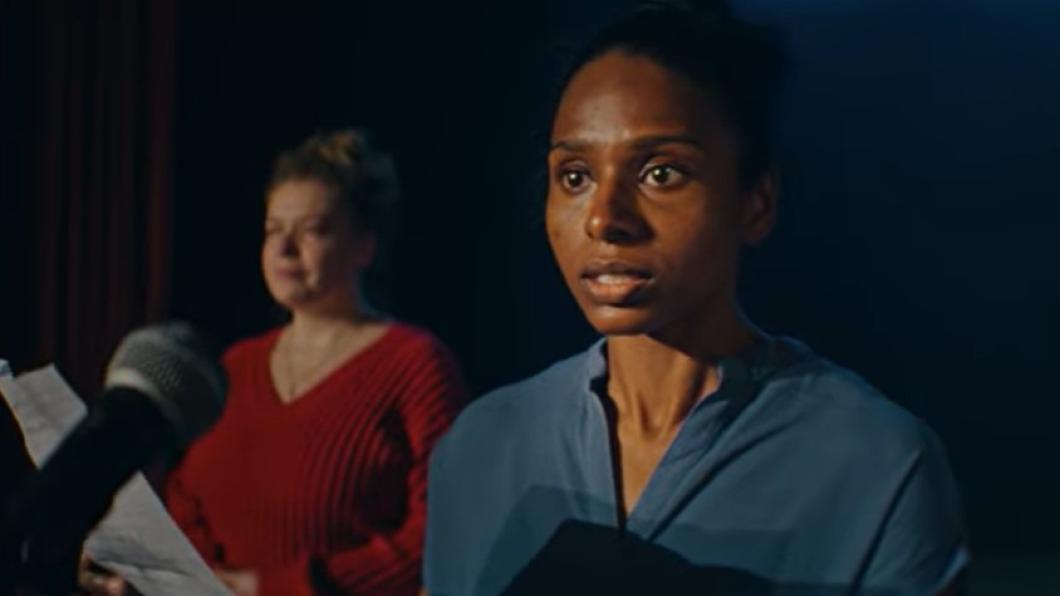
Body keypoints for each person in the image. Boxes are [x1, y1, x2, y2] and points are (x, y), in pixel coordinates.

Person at [424, 3, 967, 595]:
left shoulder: (877, 464)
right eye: (575, 176)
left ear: (755, 202)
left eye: (661, 173)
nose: (604, 218)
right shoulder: (481, 448)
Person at [82, 130, 467, 595]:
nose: (285, 248)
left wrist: (280, 588)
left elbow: (443, 533)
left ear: (365, 245)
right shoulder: (231, 368)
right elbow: (186, 500)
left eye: (312, 230)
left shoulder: (416, 366)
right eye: (273, 230)